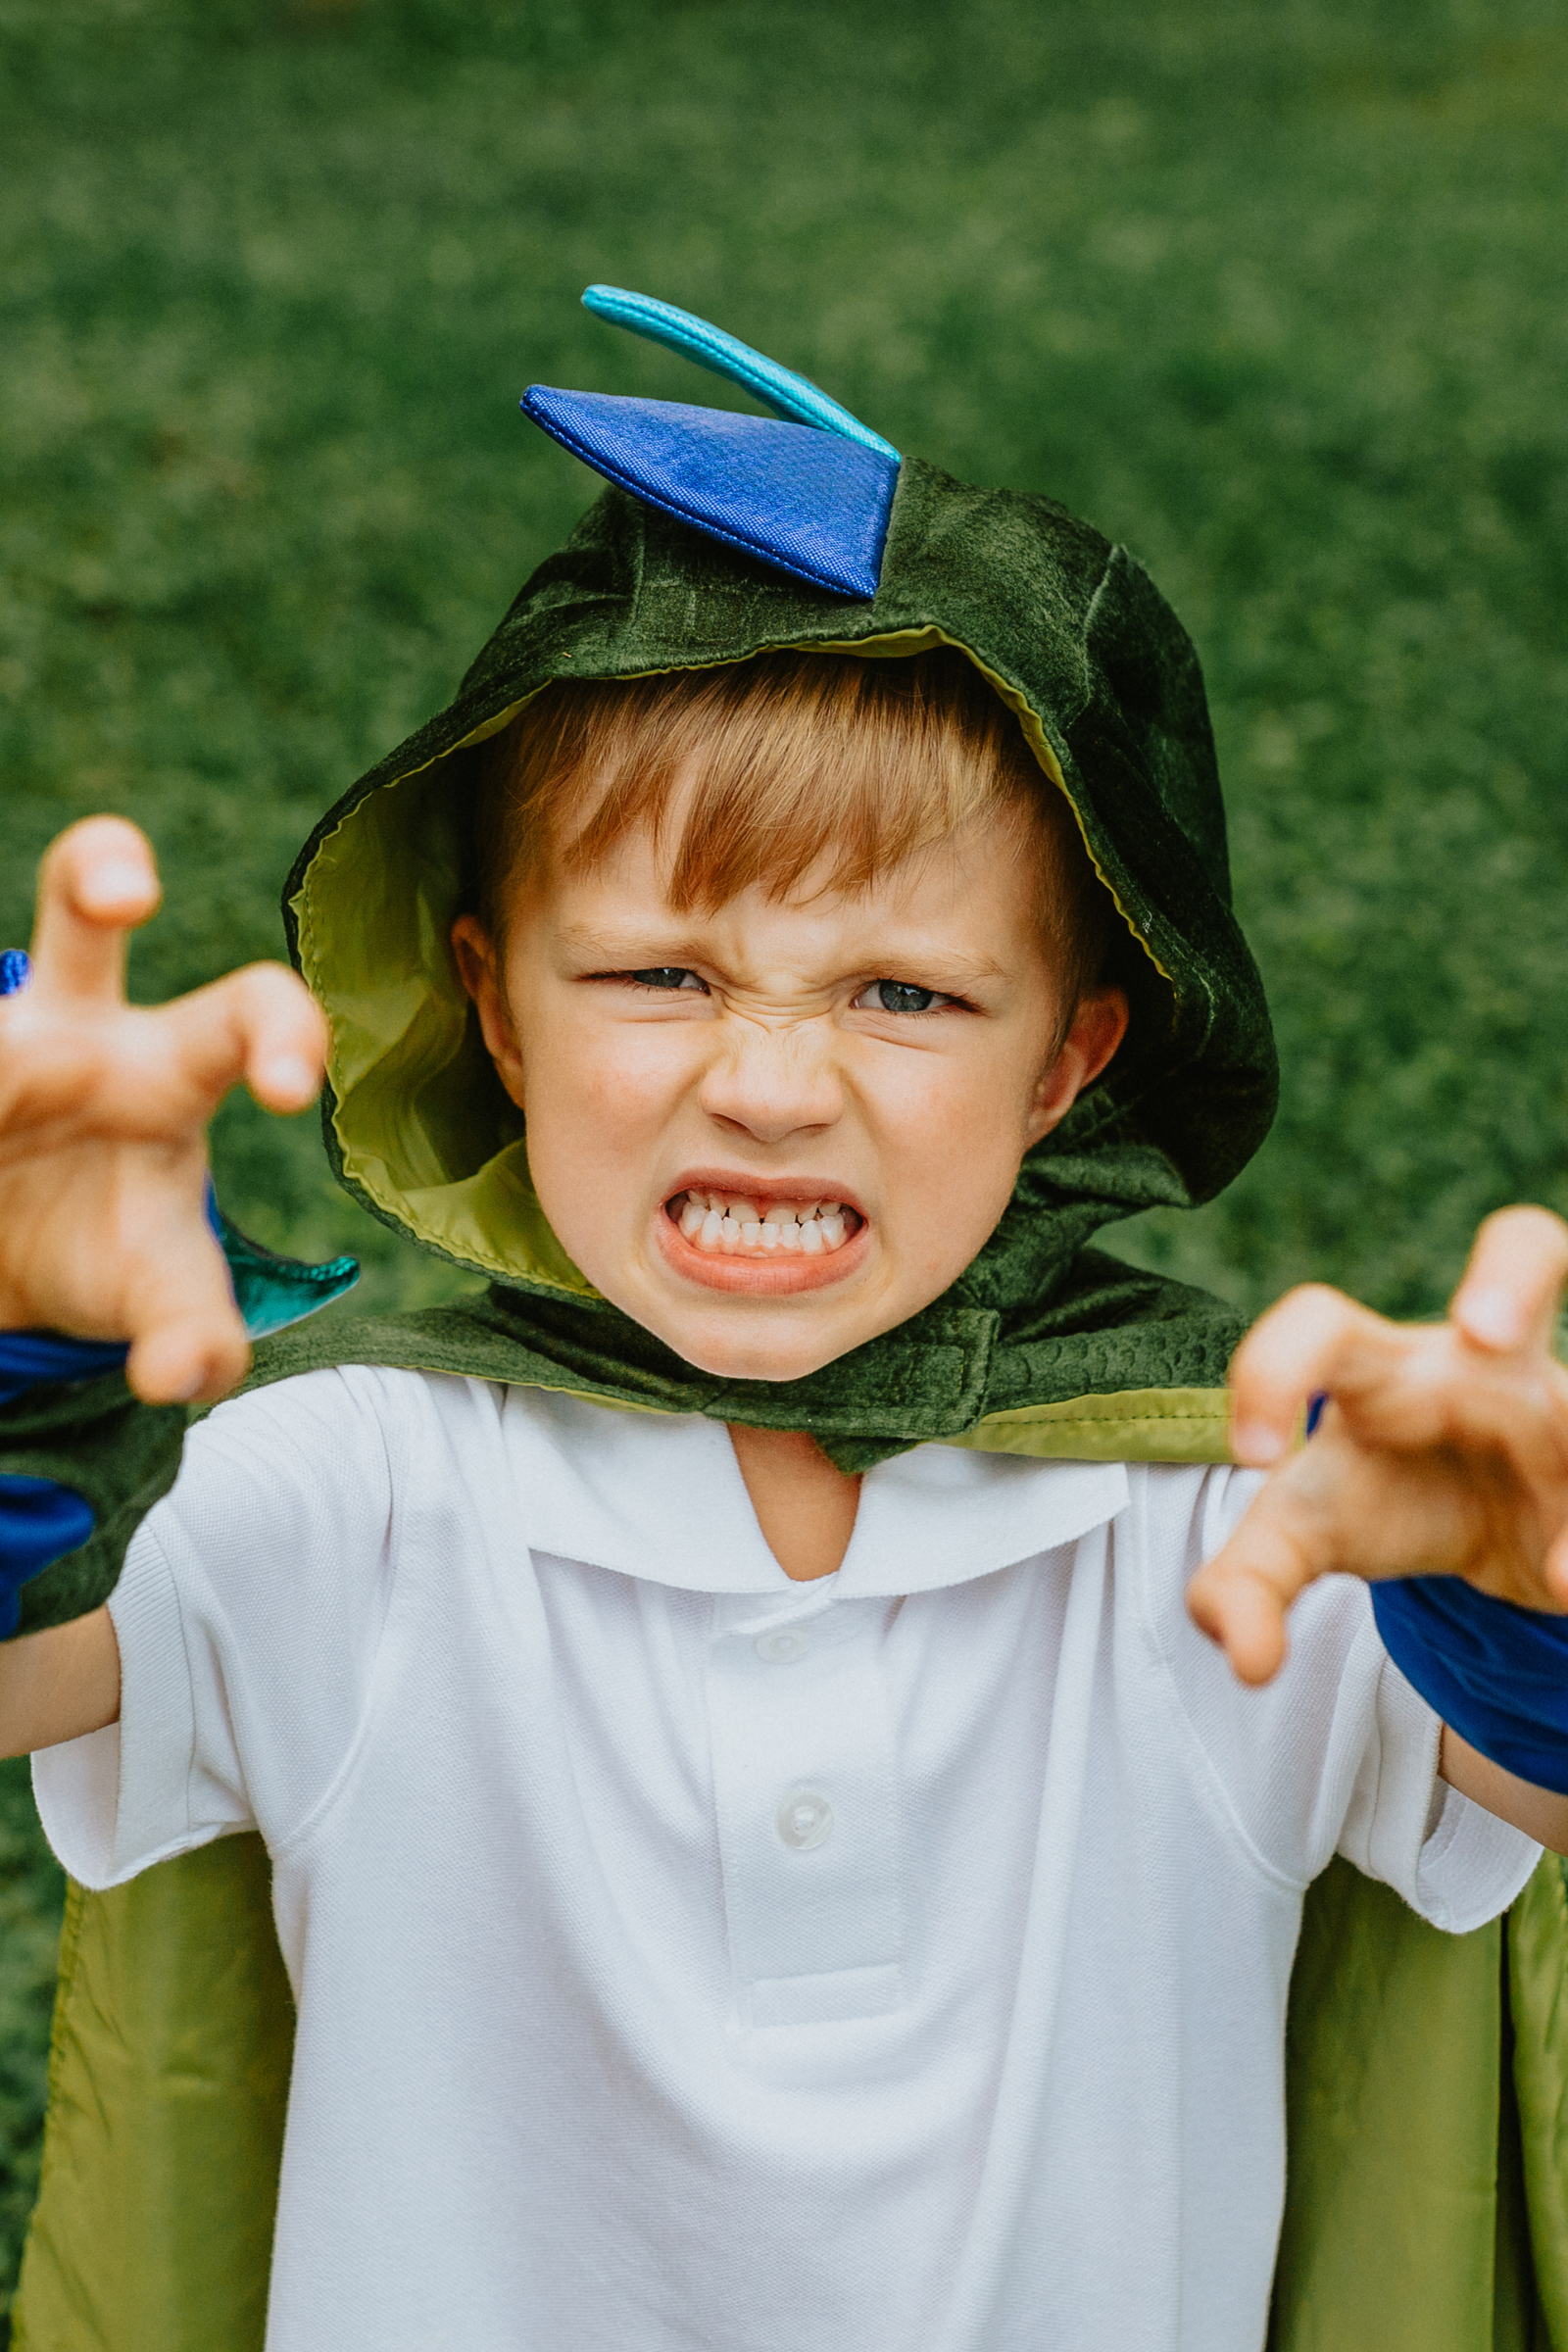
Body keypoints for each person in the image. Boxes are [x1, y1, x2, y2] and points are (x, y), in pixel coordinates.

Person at [4, 290, 1568, 2352]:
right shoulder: (349, 1488)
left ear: (1069, 1059)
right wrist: (29, 1366)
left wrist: (1521, 1592)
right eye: (656, 974)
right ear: (487, 1001)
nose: (765, 1080)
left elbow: (1515, 1795)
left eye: (903, 994)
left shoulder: (1239, 1537)